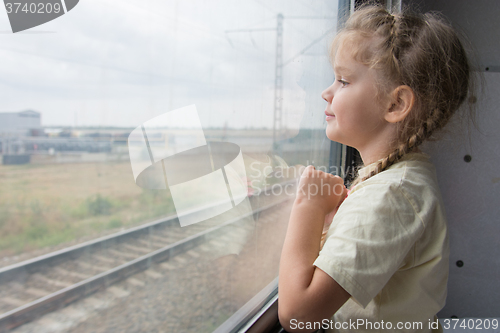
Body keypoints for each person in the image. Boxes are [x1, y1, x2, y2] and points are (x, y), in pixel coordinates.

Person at [278, 3, 474, 333]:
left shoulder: (391, 195)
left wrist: (307, 205)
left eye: (342, 80)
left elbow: (299, 315)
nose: (327, 92)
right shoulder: (400, 178)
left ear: (395, 104)